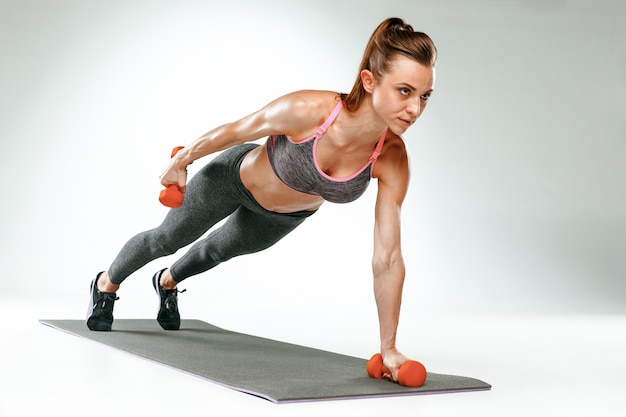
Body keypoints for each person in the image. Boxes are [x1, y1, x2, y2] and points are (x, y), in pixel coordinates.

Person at [86, 17, 436, 382]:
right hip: (233, 180)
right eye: (405, 91)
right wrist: (181, 161)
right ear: (369, 81)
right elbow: (238, 130)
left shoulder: (391, 157)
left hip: (282, 218)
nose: (415, 109)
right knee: (166, 239)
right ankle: (105, 285)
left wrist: (390, 347)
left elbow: (388, 257)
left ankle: (168, 282)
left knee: (216, 252)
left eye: (424, 96)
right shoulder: (310, 110)